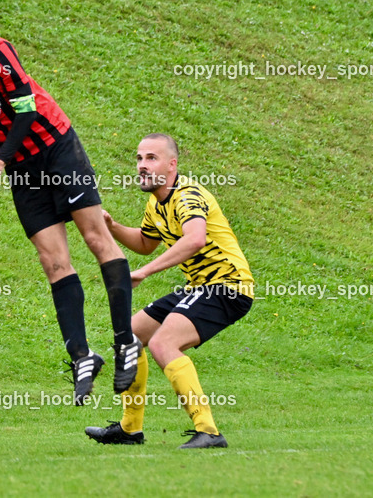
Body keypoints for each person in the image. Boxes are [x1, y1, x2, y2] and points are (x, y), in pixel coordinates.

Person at [0, 0, 140, 403]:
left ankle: (125, 342)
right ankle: (82, 356)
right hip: (21, 167)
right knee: (52, 262)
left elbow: (26, 108)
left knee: (96, 237)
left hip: (55, 148)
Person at [84, 133, 253, 449]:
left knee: (163, 344)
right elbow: (146, 243)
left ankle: (209, 432)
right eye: (139, 158)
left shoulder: (186, 196)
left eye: (152, 158)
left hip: (227, 287)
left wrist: (145, 273)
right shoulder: (156, 202)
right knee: (131, 336)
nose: (142, 166)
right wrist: (112, 226)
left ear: (172, 164)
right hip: (201, 287)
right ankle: (129, 429)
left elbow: (195, 239)